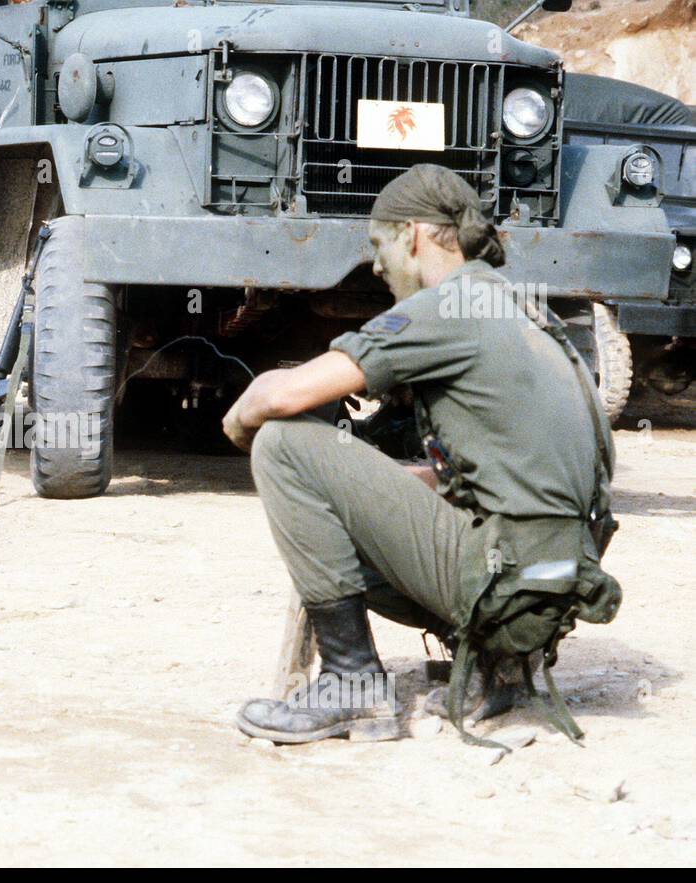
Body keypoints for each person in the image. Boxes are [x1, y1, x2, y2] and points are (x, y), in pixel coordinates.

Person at [221, 164, 620, 745]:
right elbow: (521, 474)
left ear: (413, 234)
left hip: (503, 588)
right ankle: (503, 672)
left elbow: (278, 394)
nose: (377, 266)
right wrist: (383, 485)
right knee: (382, 485)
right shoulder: (530, 312)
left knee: (285, 444)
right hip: (550, 591)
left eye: (379, 246)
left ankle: (351, 683)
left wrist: (237, 423)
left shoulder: (447, 308)